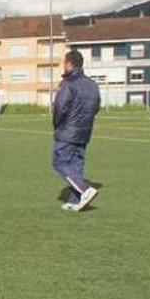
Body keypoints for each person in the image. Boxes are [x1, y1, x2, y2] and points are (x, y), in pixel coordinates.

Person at [52, 50, 101, 211]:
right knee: (76, 166)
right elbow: (96, 107)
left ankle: (85, 189)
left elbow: (60, 107)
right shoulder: (92, 85)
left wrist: (57, 125)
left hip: (68, 131)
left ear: (68, 64)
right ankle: (75, 201)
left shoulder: (68, 84)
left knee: (59, 162)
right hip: (84, 132)